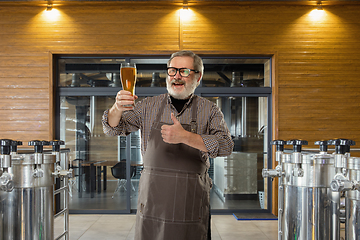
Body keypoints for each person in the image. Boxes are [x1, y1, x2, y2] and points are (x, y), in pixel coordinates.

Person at [102, 50, 234, 240]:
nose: (177, 76)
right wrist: (117, 108)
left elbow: (226, 145)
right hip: (153, 202)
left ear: (198, 76)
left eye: (184, 71)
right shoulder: (148, 106)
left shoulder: (210, 110)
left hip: (190, 203)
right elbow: (112, 129)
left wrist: (186, 137)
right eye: (172, 71)